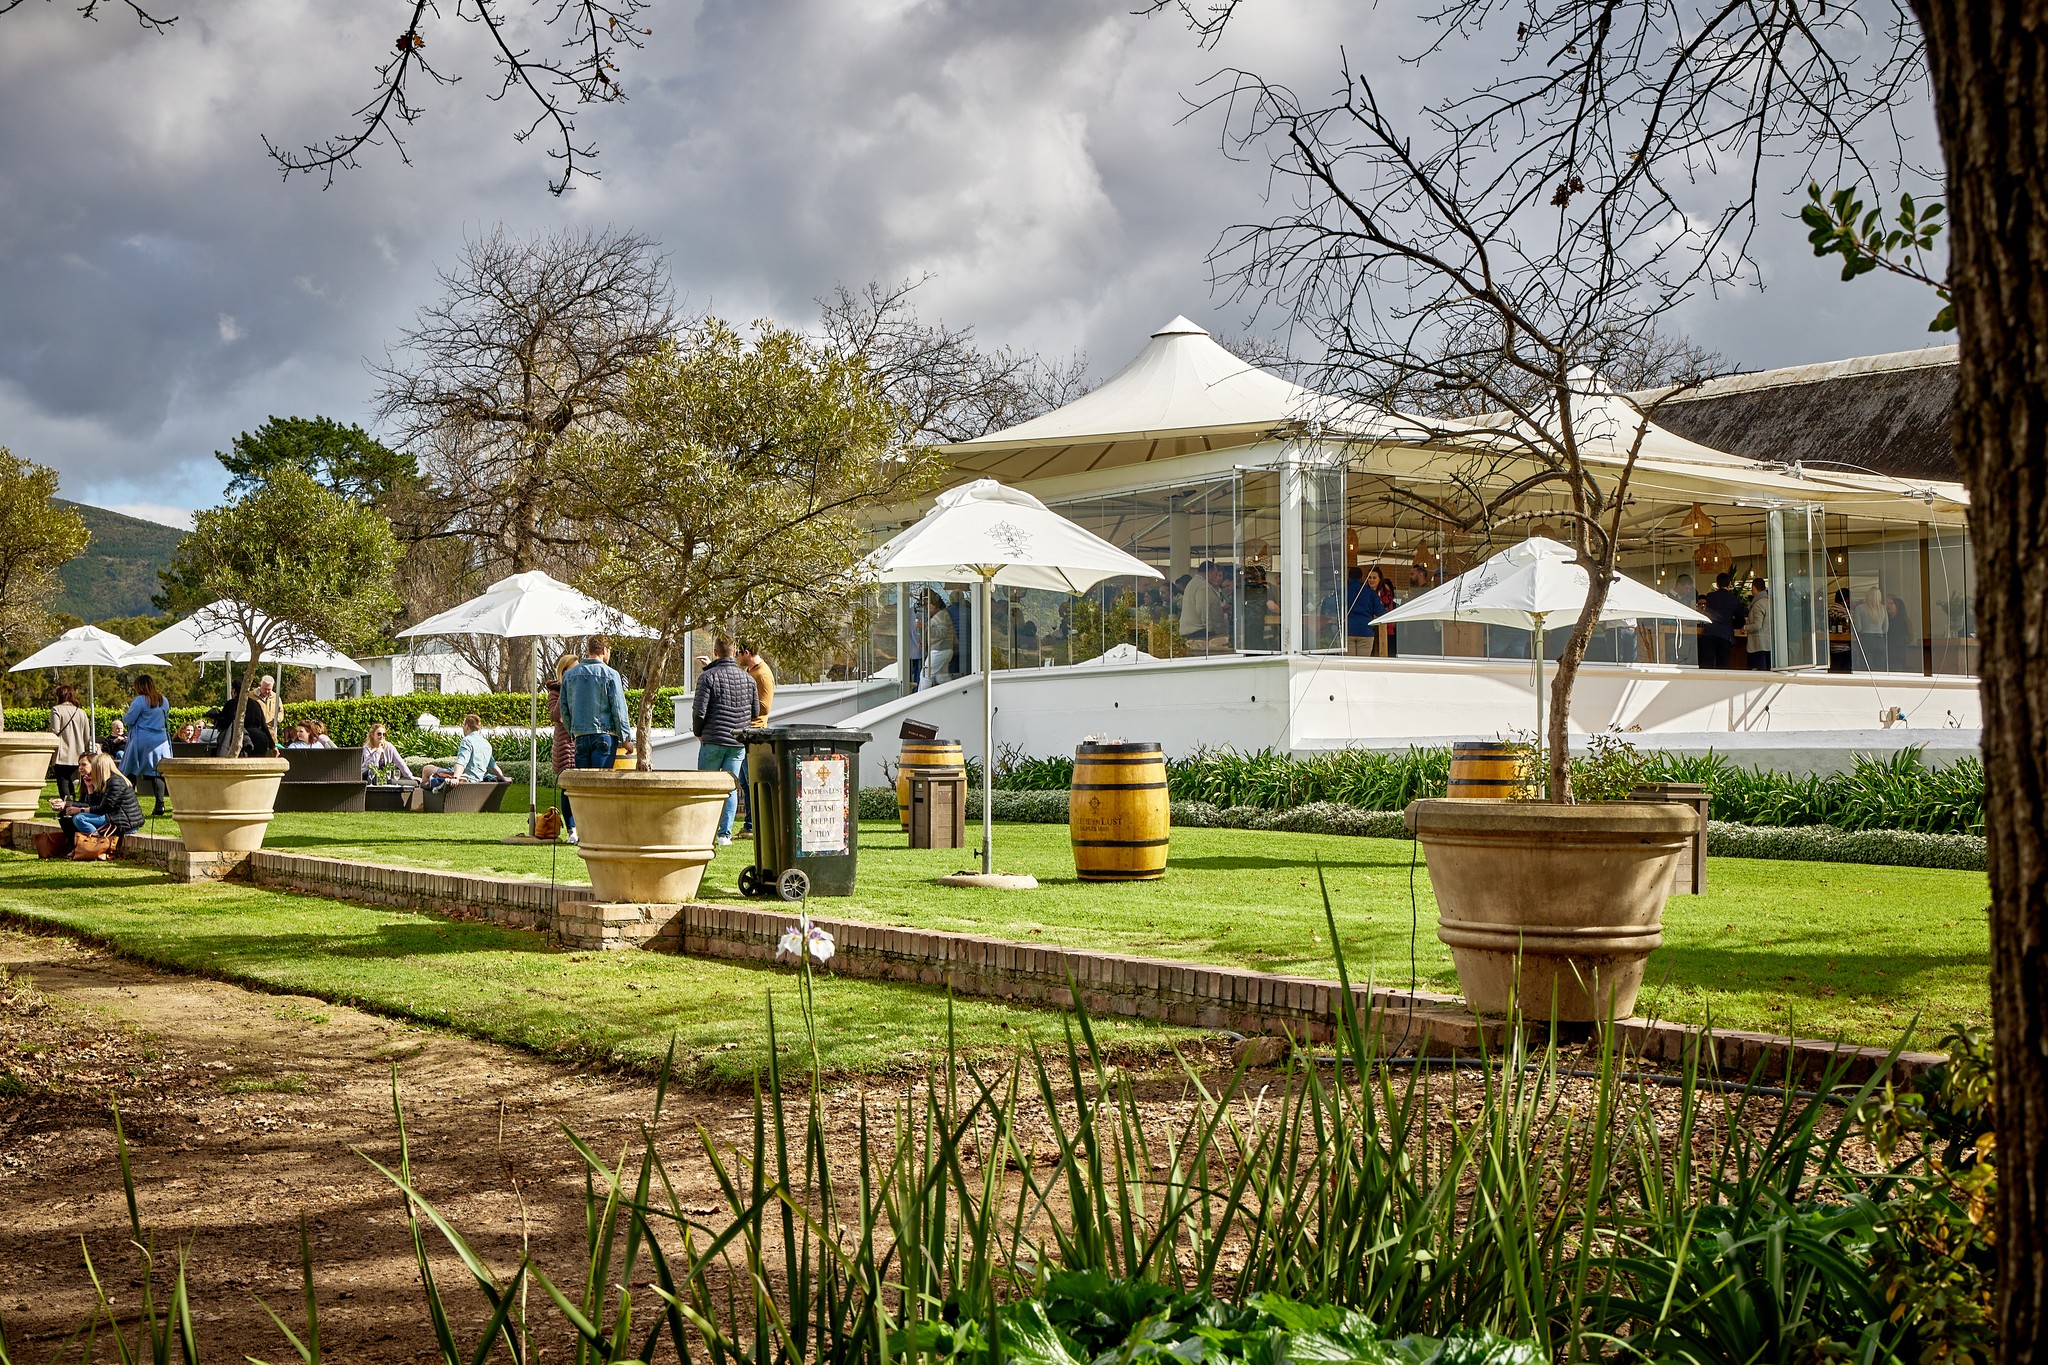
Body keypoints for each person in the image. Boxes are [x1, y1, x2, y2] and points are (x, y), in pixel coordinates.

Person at [692, 637, 758, 846]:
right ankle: (724, 835)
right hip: (737, 742)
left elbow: (699, 711)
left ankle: (705, 832)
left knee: (706, 787)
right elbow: (755, 711)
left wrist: (698, 732)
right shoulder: (748, 679)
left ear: (715, 652)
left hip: (712, 739)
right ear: (735, 651)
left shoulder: (707, 677)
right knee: (731, 787)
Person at [561, 635, 634, 781]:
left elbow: (564, 709)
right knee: (600, 783)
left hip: (580, 737)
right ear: (605, 650)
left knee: (583, 785)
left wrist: (573, 732)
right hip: (604, 735)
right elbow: (619, 709)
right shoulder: (611, 674)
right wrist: (626, 738)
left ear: (588, 650)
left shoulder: (569, 676)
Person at [55, 752, 145, 845]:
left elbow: (103, 808)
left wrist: (80, 810)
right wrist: (89, 787)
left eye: (93, 767)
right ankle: (77, 846)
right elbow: (94, 805)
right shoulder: (105, 781)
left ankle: (98, 845)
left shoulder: (115, 782)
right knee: (65, 815)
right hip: (113, 817)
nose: (92, 771)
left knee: (80, 818)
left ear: (100, 768)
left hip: (124, 822)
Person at [734, 643, 776, 836]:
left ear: (747, 653)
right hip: (745, 732)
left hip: (755, 733)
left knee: (752, 781)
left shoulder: (763, 674)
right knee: (745, 782)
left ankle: (755, 825)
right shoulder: (750, 672)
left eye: (738, 653)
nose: (736, 656)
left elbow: (765, 707)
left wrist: (742, 705)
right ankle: (751, 825)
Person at [119, 675, 173, 817]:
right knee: (157, 772)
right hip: (160, 741)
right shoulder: (163, 700)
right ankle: (160, 804)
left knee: (130, 770)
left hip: (142, 740)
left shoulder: (140, 701)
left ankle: (129, 804)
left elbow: (129, 719)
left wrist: (125, 715)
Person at [546, 653, 579, 842]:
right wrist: (565, 686)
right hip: (565, 745)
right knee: (566, 790)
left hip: (580, 744)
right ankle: (572, 830)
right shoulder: (555, 692)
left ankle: (582, 827)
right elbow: (556, 715)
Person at [421, 714, 505, 788]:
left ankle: (426, 798)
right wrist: (503, 778)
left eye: (463, 725)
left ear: (467, 726)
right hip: (478, 780)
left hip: (465, 779)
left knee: (427, 769)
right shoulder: (486, 743)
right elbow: (493, 765)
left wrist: (456, 777)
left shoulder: (467, 741)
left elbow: (462, 762)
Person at [47, 685, 91, 805]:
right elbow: (86, 736)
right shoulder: (81, 712)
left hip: (62, 753)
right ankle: (76, 803)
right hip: (78, 753)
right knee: (74, 780)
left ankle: (67, 805)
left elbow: (55, 730)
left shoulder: (56, 710)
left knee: (63, 780)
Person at [1698, 572, 1746, 670]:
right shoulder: (1733, 599)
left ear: (1717, 584)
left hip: (1709, 633)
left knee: (1706, 665)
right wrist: (1731, 624)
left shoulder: (1710, 596)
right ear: (1729, 584)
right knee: (1722, 667)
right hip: (1725, 635)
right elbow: (1740, 619)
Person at [1179, 560, 1227, 653]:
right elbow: (1203, 608)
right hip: (1199, 631)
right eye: (1215, 574)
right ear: (1210, 572)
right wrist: (1209, 629)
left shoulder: (1193, 583)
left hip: (1192, 630)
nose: (1216, 577)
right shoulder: (1203, 586)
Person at [1344, 565, 1387, 656]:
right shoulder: (1370, 593)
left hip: (1348, 630)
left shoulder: (1343, 591)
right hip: (1365, 631)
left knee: (1349, 662)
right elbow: (1380, 612)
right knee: (1363, 661)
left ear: (1348, 577)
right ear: (1362, 577)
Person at [921, 590, 957, 690]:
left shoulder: (941, 615)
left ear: (934, 605)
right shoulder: (943, 614)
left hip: (940, 650)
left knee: (925, 674)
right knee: (942, 678)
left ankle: (922, 697)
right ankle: (951, 693)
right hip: (945, 649)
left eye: (928, 605)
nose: (927, 608)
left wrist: (924, 627)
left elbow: (941, 633)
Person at [1851, 584, 1891, 672]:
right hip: (1880, 641)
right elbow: (1885, 629)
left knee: (1865, 669)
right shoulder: (1883, 609)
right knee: (1880, 669)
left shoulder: (1860, 608)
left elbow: (1858, 628)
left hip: (1866, 640)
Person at [1743, 577, 1774, 670]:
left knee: (1757, 672)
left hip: (1758, 645)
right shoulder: (1770, 602)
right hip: (1768, 644)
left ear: (1753, 588)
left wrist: (1745, 628)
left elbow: (1757, 625)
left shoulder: (1758, 604)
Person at [1886, 591, 1916, 674]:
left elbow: (1909, 635)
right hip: (1889, 651)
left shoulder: (1902, 620)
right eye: (1888, 604)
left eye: (1891, 604)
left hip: (1898, 651)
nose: (1889, 606)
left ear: (1897, 606)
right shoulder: (1888, 618)